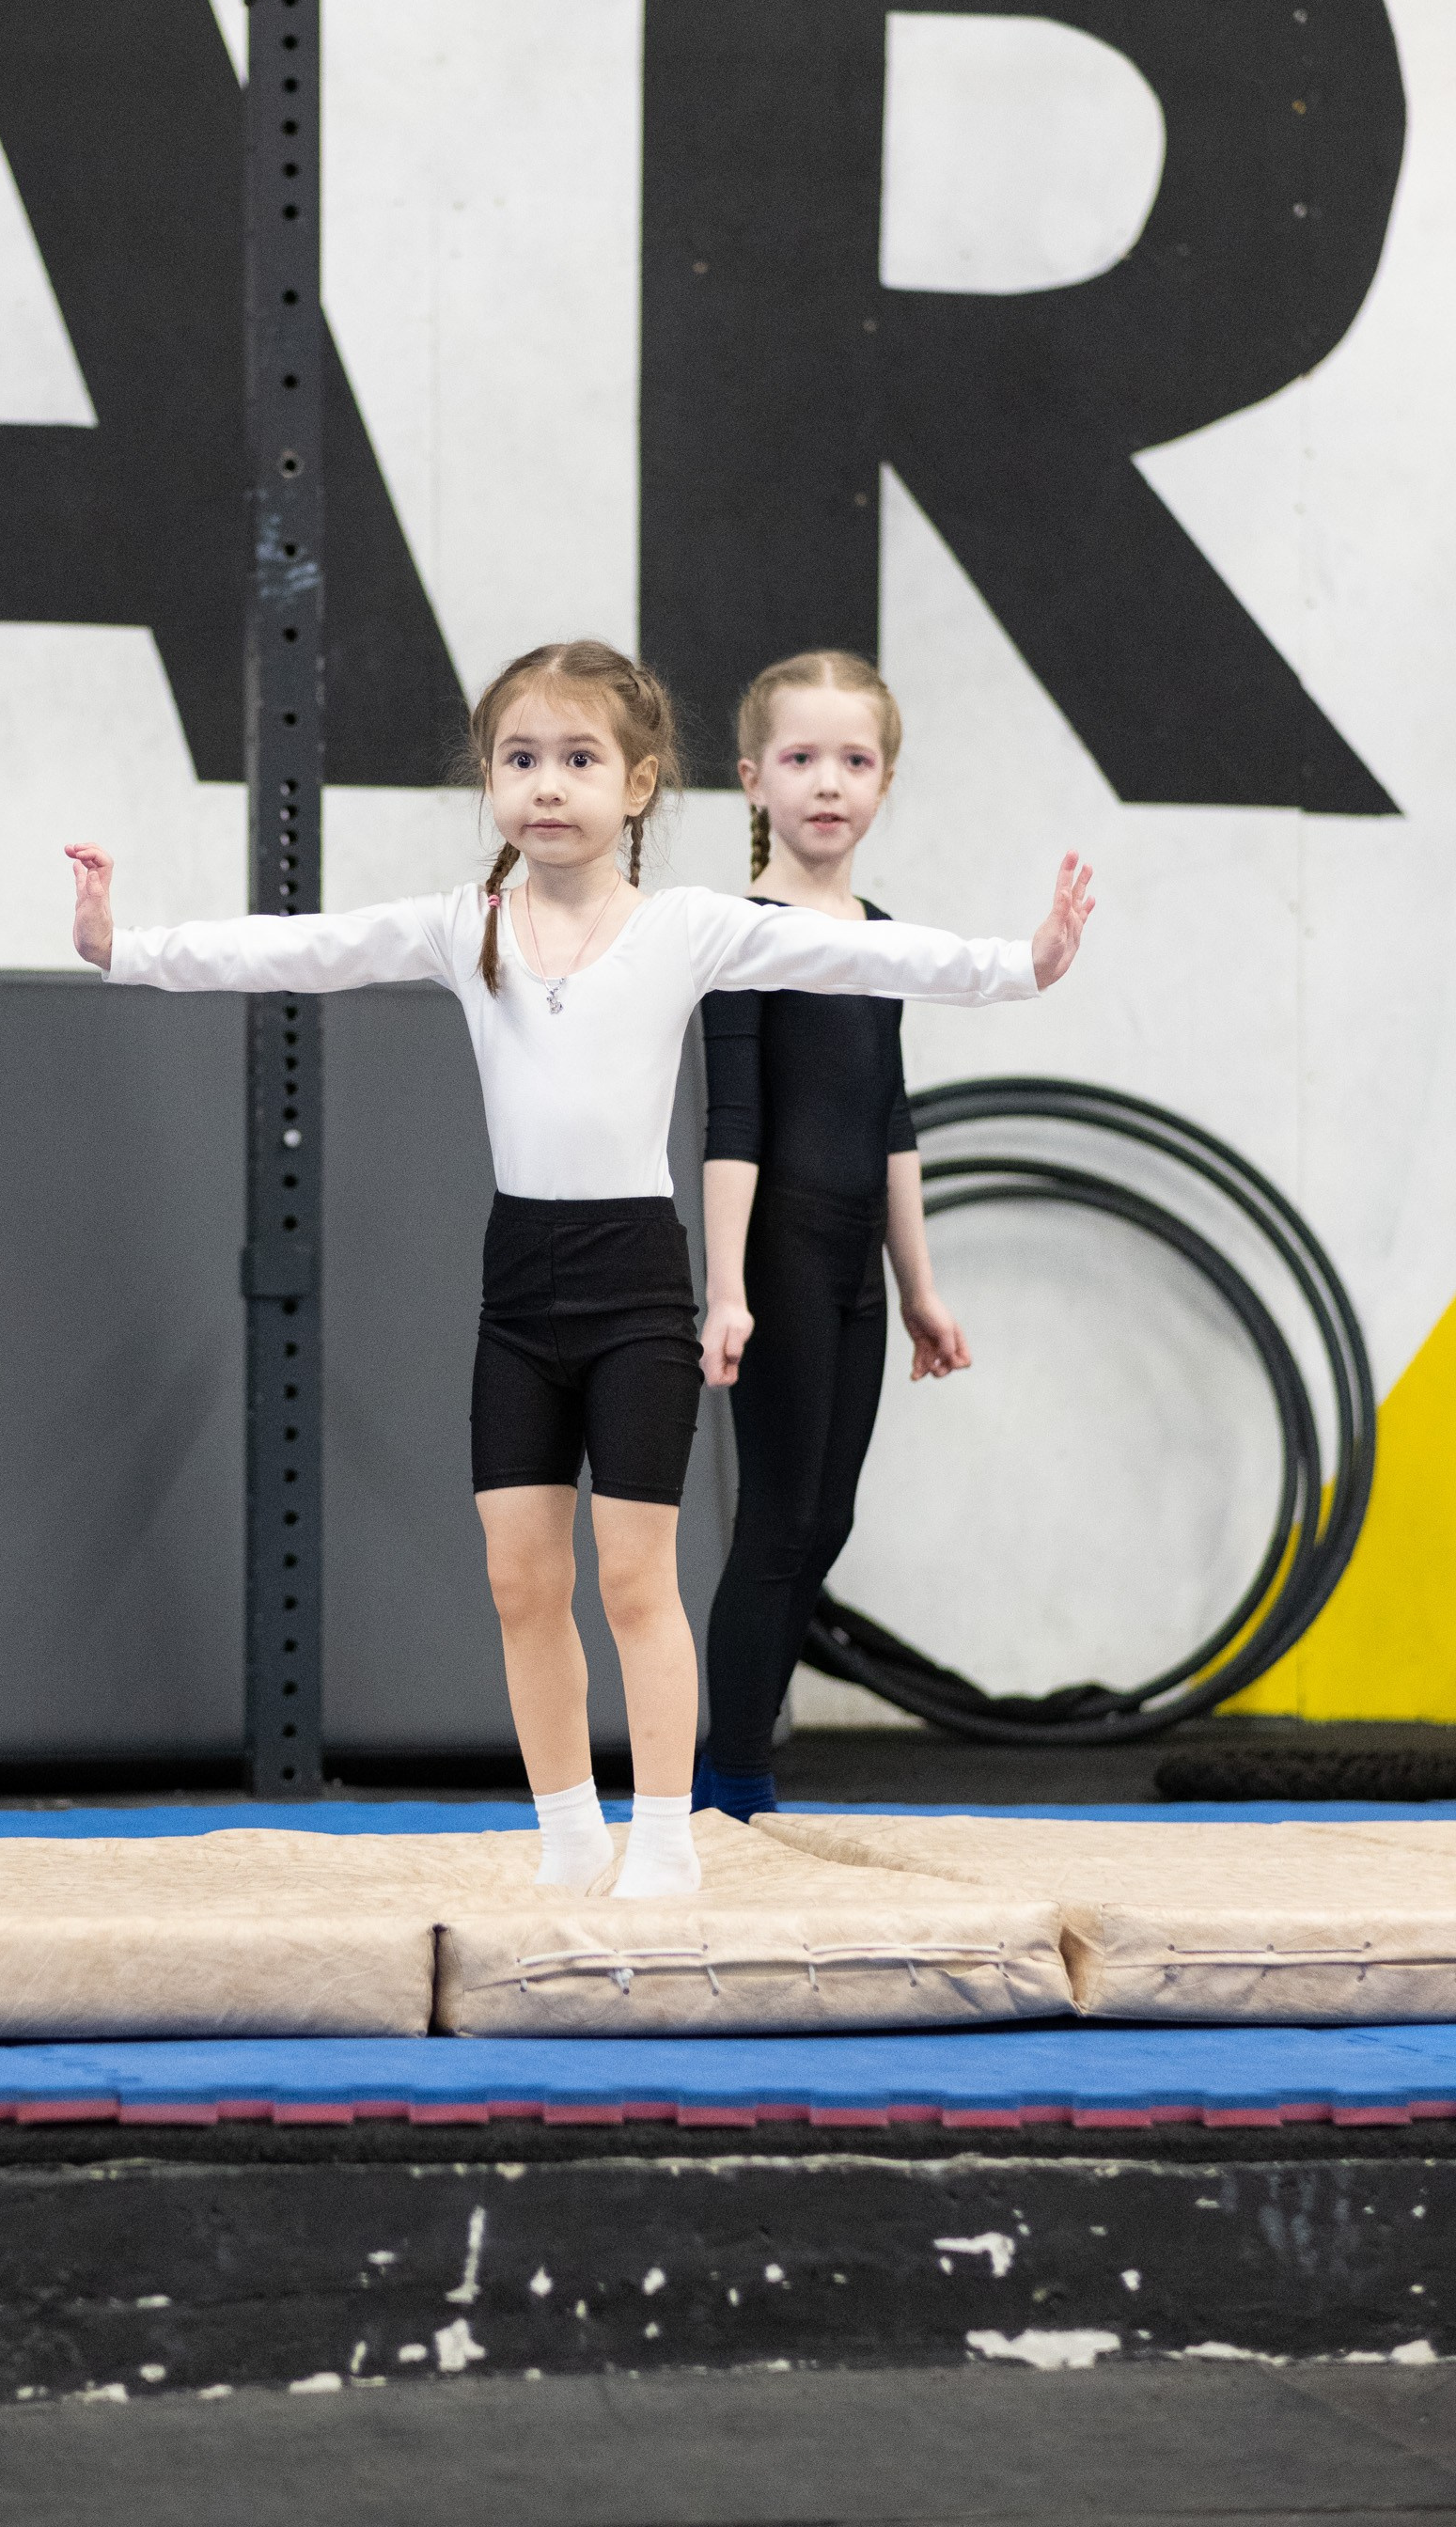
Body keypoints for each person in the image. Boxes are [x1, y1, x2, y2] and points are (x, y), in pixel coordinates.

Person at [67, 640, 1092, 1896]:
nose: (547, 784)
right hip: (520, 1294)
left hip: (635, 1291)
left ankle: (663, 1837)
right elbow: (301, 949)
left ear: (639, 784)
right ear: (490, 780)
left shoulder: (686, 929)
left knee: (633, 1578)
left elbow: (869, 960)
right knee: (519, 1579)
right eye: (520, 759)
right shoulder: (467, 927)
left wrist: (1021, 963)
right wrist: (124, 946)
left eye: (578, 759)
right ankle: (567, 1832)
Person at [695, 651, 1019, 1822]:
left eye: (853, 760)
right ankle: (729, 1782)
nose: (826, 782)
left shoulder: (881, 937)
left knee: (823, 1521)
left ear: (883, 782)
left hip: (852, 1263)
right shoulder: (736, 936)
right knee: (778, 1519)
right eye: (799, 758)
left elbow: (888, 1118)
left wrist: (917, 1286)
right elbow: (732, 1127)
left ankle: (737, 1770)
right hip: (778, 1248)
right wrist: (725, 1288)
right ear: (752, 779)